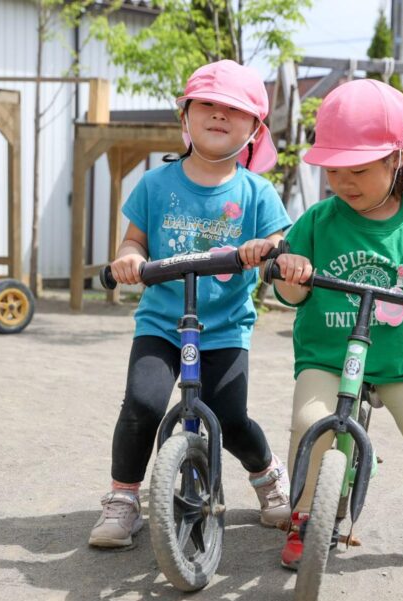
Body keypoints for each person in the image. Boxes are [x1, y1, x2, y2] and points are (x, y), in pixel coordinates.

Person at [270, 78, 403, 575]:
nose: (344, 183)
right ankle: (304, 516)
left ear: (395, 161)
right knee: (309, 424)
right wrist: (293, 273)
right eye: (334, 171)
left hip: (400, 355)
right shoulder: (319, 220)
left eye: (359, 170)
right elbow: (288, 289)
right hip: (328, 351)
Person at [89, 60, 293, 549]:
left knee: (231, 414)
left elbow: (282, 243)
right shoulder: (155, 185)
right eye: (208, 105)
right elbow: (132, 242)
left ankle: (266, 475)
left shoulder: (256, 193)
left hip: (224, 326)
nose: (219, 116)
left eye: (234, 110)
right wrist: (128, 261)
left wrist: (265, 249)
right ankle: (123, 499)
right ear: (186, 116)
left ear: (254, 130)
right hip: (163, 321)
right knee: (141, 403)